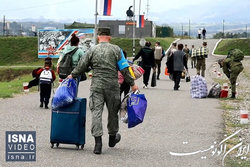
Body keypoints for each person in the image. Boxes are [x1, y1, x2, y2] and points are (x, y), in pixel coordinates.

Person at [68, 27, 138, 154]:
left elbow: (81, 66)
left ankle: (98, 144)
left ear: (98, 37)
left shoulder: (92, 50)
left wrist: (72, 75)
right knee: (113, 112)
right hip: (112, 86)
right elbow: (124, 68)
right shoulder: (117, 50)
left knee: (96, 112)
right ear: (109, 37)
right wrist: (132, 84)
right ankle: (112, 138)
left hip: (97, 86)